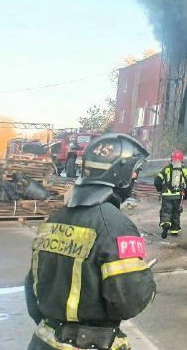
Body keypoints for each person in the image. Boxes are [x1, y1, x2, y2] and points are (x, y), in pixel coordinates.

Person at [24, 133, 156, 350]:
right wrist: (146, 281)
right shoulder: (116, 226)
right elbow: (130, 301)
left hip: (43, 341)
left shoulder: (55, 219)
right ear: (119, 171)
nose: (134, 176)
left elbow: (32, 289)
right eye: (133, 170)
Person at [154, 150, 187, 238]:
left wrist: (160, 189)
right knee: (176, 213)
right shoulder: (184, 169)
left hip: (166, 195)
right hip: (178, 195)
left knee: (166, 211)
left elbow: (157, 180)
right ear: (182, 159)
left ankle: (166, 224)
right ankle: (174, 230)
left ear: (172, 159)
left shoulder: (167, 168)